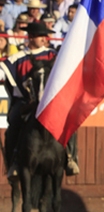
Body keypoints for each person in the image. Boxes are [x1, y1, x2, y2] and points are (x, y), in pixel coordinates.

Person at [0, 22, 80, 180]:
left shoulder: (54, 55)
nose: (44, 38)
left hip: (51, 103)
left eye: (45, 35)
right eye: (40, 36)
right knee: (13, 122)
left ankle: (71, 158)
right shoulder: (17, 58)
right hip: (26, 102)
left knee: (70, 120)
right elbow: (4, 74)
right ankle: (14, 163)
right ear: (30, 37)